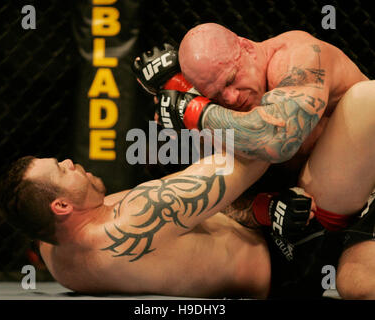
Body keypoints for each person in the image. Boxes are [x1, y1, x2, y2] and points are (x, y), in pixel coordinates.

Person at [132, 23, 375, 298]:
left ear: (246, 47)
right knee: (357, 285)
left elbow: (276, 140)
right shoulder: (223, 106)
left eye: (231, 79)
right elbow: (209, 196)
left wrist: (193, 111)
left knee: (366, 100)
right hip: (317, 221)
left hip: (366, 185)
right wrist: (264, 209)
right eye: (216, 94)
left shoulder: (300, 57)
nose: (231, 97)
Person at [0, 153, 277, 298]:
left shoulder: (53, 248)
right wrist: (198, 111)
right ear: (62, 206)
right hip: (287, 259)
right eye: (60, 168)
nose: (69, 162)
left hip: (255, 233)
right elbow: (265, 145)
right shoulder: (138, 216)